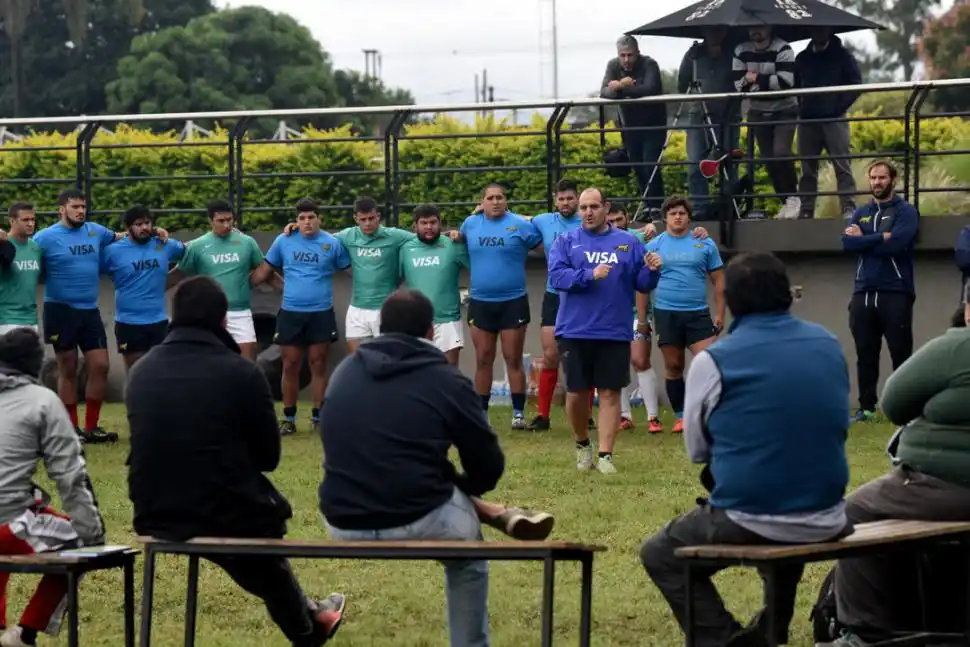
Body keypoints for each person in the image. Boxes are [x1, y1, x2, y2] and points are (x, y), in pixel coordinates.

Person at [320, 288, 554, 647]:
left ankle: (489, 511)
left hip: (342, 518)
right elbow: (488, 463)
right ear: (431, 332)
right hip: (419, 513)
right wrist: (461, 487)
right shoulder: (446, 379)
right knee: (468, 555)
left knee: (419, 479)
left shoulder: (344, 373)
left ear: (381, 327)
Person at [640, 251, 852, 647]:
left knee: (660, 554)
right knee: (782, 500)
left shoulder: (713, 360)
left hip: (751, 514)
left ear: (731, 301)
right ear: (788, 295)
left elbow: (697, 449)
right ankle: (773, 628)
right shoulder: (829, 343)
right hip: (828, 511)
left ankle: (724, 640)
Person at [125, 276, 347, 647]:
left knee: (244, 532)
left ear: (173, 316)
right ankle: (308, 627)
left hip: (154, 508)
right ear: (224, 321)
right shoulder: (242, 372)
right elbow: (269, 457)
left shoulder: (140, 372)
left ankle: (311, 615)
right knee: (255, 534)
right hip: (222, 510)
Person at [828, 294, 970, 647]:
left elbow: (893, 402)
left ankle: (863, 633)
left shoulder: (958, 347)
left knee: (854, 511)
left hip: (947, 485)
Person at [11, 189, 160, 444]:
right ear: (62, 209)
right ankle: (71, 429)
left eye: (83, 206)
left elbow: (124, 236)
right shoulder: (45, 238)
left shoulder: (96, 231)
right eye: (75, 206)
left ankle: (91, 427)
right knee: (67, 368)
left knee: (100, 366)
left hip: (89, 310)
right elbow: (25, 255)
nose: (80, 211)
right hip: (60, 310)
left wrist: (156, 232)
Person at [0, 327, 107, 647]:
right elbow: (70, 474)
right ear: (36, 365)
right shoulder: (42, 401)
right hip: (9, 522)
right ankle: (26, 633)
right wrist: (93, 532)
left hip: (12, 515)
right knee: (78, 543)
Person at [547, 187, 661, 473]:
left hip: (613, 330)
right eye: (583, 207)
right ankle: (583, 443)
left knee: (610, 393)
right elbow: (558, 277)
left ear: (606, 208)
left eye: (593, 207)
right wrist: (589, 275)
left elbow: (642, 283)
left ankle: (606, 455)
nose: (587, 212)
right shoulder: (565, 241)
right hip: (575, 330)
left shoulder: (627, 242)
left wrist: (653, 270)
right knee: (577, 394)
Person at [253, 198, 350, 435]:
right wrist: (236, 286)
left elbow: (352, 269)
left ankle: (319, 416)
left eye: (311, 217)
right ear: (296, 221)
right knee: (290, 364)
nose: (307, 222)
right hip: (291, 312)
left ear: (319, 219)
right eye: (302, 218)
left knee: (317, 363)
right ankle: (289, 418)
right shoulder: (283, 240)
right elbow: (264, 271)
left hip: (321, 312)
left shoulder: (332, 243)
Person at [841, 159, 919, 423]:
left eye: (882, 178)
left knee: (900, 352)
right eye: (873, 178)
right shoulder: (860, 212)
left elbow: (897, 245)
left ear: (893, 180)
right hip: (863, 291)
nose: (877, 183)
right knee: (865, 352)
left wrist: (863, 238)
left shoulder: (906, 212)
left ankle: (905, 409)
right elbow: (847, 244)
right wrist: (878, 237)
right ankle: (867, 408)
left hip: (895, 291)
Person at [460, 183, 542, 428]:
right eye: (490, 198)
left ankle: (518, 414)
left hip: (513, 302)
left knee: (513, 358)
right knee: (483, 359)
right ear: (482, 202)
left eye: (500, 197)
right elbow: (458, 242)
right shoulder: (470, 224)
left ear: (506, 201)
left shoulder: (521, 224)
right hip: (481, 303)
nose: (495, 201)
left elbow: (547, 245)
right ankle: (481, 415)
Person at [646, 196, 725, 433]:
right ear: (665, 218)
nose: (677, 217)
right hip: (666, 314)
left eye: (681, 212)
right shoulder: (654, 246)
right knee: (673, 366)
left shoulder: (705, 243)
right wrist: (642, 319)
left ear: (688, 216)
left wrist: (720, 313)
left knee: (709, 363)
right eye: (672, 213)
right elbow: (642, 284)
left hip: (698, 314)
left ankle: (708, 414)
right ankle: (681, 416)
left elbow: (719, 281)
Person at [168, 199, 268, 361]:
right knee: (209, 362)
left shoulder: (247, 242)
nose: (226, 225)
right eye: (221, 221)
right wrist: (152, 290)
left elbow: (265, 269)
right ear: (210, 221)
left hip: (240, 312)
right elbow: (179, 274)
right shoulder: (197, 246)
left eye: (229, 220)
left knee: (248, 363)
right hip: (208, 314)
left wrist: (282, 288)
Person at [100, 205, 185, 372]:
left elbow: (192, 252)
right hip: (128, 323)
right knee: (136, 373)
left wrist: (174, 277)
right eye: (139, 224)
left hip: (158, 321)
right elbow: (88, 268)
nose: (144, 227)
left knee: (162, 372)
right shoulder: (112, 252)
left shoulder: (163, 244)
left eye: (147, 223)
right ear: (127, 227)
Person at [527, 179, 583, 431]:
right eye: (561, 198)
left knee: (582, 356)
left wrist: (647, 228)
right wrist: (481, 212)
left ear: (578, 198)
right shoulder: (544, 221)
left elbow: (619, 232)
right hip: (553, 295)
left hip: (582, 295)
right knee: (551, 355)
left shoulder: (588, 219)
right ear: (554, 200)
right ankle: (543, 415)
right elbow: (516, 220)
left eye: (570, 198)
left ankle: (584, 412)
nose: (565, 203)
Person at [606, 204, 664, 433]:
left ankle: (653, 417)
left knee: (640, 360)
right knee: (614, 364)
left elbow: (643, 282)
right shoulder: (598, 240)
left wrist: (642, 319)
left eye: (620, 219)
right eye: (612, 220)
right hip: (609, 313)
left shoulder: (635, 240)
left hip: (636, 312)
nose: (616, 224)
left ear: (627, 219)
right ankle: (624, 416)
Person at [733, 25, 800, 220]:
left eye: (760, 26)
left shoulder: (783, 49)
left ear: (770, 27)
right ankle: (785, 201)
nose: (756, 31)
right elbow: (737, 84)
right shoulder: (740, 50)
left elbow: (785, 82)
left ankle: (794, 197)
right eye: (753, 27)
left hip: (784, 109)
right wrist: (764, 81)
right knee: (768, 159)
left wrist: (755, 79)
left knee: (781, 153)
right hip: (758, 111)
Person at [795, 27, 863, 220]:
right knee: (807, 169)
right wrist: (801, 107)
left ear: (829, 31)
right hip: (808, 119)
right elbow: (793, 85)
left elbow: (856, 84)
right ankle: (806, 210)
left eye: (822, 30)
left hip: (834, 119)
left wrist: (837, 107)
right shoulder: (802, 58)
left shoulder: (843, 56)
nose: (818, 33)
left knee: (842, 165)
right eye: (815, 30)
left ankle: (848, 208)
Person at [335, 196, 415, 353]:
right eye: (363, 219)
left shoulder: (394, 236)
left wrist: (451, 235)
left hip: (386, 308)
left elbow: (424, 238)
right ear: (355, 218)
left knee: (389, 361)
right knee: (359, 361)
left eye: (371, 218)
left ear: (378, 216)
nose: (367, 223)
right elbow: (320, 241)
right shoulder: (347, 235)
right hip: (357, 309)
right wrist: (295, 228)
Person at [677, 26, 741, 221]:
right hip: (698, 114)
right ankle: (699, 209)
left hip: (728, 115)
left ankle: (730, 206)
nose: (715, 34)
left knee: (728, 162)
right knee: (696, 164)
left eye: (719, 31)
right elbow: (682, 84)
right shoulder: (693, 54)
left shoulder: (735, 52)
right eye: (712, 31)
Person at [600, 35, 667, 213]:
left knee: (650, 165)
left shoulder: (649, 64)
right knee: (637, 166)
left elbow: (649, 88)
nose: (626, 60)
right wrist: (624, 87)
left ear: (638, 53)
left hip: (653, 124)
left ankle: (656, 206)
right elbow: (604, 92)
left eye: (630, 55)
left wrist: (620, 87)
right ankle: (647, 205)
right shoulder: (613, 65)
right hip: (629, 125)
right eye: (622, 55)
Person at [398, 204, 469, 365]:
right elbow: (394, 282)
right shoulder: (405, 249)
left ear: (440, 223)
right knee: (418, 373)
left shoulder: (453, 244)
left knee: (448, 373)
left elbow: (478, 270)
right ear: (415, 226)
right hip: (416, 321)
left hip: (448, 320)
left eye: (433, 222)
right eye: (424, 223)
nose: (429, 227)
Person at [0, 203, 41, 336]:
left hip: (31, 318)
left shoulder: (35, 247)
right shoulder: (3, 247)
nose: (30, 224)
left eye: (32, 220)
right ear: (12, 221)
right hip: (6, 318)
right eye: (25, 220)